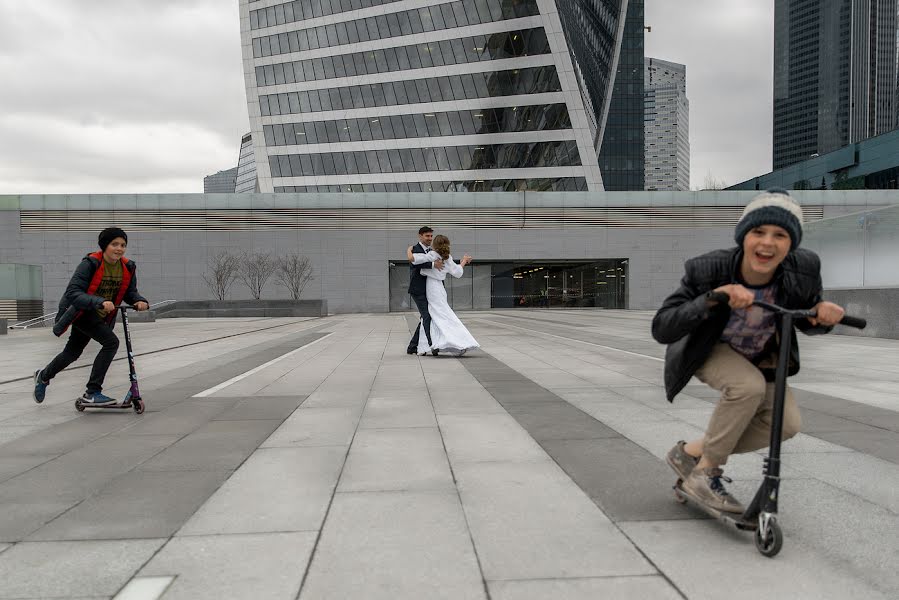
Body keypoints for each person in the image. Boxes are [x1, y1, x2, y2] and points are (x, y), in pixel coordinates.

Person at [651, 189, 846, 513]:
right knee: (747, 387)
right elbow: (663, 327)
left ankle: (690, 454)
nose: (767, 243)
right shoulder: (707, 269)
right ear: (744, 236)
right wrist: (714, 297)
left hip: (762, 355)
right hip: (712, 348)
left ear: (791, 243)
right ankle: (705, 472)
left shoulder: (805, 268)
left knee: (786, 424)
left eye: (780, 235)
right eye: (758, 232)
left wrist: (822, 314)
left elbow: (807, 316)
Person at [33, 227, 149, 406]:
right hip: (82, 312)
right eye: (114, 244)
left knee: (72, 353)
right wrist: (99, 301)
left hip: (99, 315)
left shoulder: (128, 266)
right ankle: (93, 391)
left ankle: (44, 376)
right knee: (111, 343)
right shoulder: (90, 263)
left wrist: (140, 301)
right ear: (105, 246)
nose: (119, 249)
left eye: (123, 245)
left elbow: (130, 292)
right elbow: (73, 292)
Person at [407, 235, 479, 356]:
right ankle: (452, 341)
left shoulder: (432, 255)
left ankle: (433, 344)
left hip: (431, 288)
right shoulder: (448, 258)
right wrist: (463, 262)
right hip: (440, 288)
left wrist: (409, 249)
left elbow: (413, 259)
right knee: (440, 314)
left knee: (433, 315)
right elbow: (458, 273)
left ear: (435, 244)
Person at [406, 226, 444, 355]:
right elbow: (414, 263)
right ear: (420, 236)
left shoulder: (431, 251)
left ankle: (412, 346)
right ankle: (432, 345)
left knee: (425, 317)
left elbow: (441, 264)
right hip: (418, 289)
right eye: (427, 236)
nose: (430, 238)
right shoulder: (414, 249)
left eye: (431, 236)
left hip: (430, 290)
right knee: (427, 316)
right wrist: (433, 264)